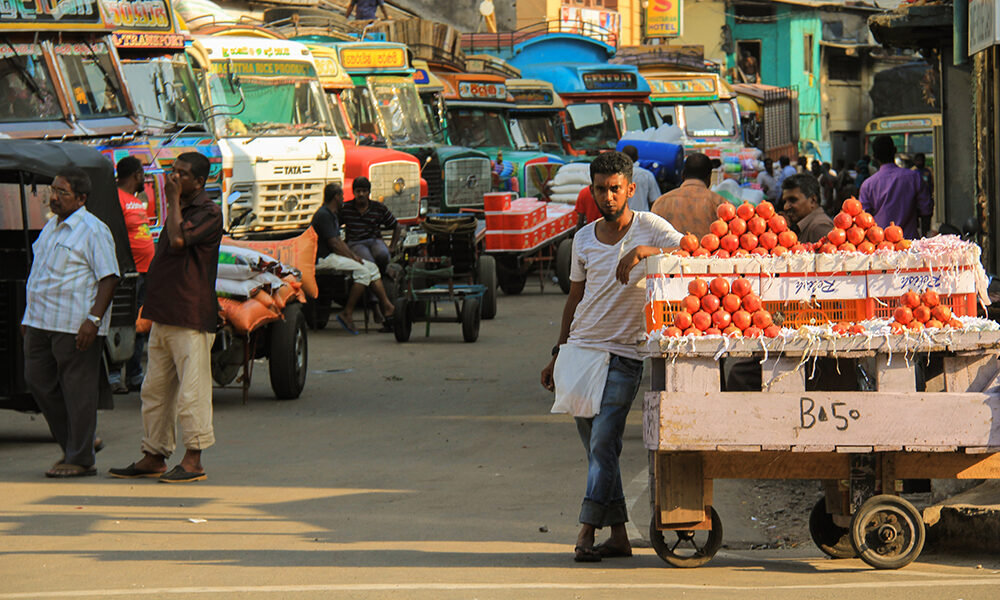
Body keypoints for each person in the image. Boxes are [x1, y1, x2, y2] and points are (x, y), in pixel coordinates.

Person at [540, 151, 682, 563]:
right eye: (600, 189)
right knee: (600, 451)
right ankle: (619, 535)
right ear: (592, 191)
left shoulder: (651, 228)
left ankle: (586, 530)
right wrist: (558, 353)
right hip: (580, 351)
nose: (608, 196)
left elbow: (693, 256)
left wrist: (641, 253)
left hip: (625, 355)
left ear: (630, 189)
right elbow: (574, 300)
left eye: (615, 189)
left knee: (604, 441)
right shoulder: (583, 238)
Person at [110, 152, 223, 483]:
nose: (174, 178)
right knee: (155, 391)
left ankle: (193, 460)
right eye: (173, 172)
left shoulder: (208, 212)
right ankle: (154, 454)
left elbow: (176, 242)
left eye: (182, 175)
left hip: (191, 314)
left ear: (200, 182)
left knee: (192, 393)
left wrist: (171, 200)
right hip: (165, 313)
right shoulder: (183, 208)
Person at [22, 167, 119, 477]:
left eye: (62, 193)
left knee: (78, 391)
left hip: (74, 324)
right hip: (41, 321)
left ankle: (80, 458)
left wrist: (93, 319)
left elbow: (109, 277)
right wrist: (28, 316)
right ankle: (81, 442)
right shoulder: (51, 227)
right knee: (38, 381)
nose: (54, 197)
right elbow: (41, 274)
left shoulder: (93, 229)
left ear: (81, 198)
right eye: (53, 190)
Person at [312, 182, 396, 334]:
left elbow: (338, 241)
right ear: (336, 197)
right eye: (341, 196)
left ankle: (387, 306)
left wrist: (354, 257)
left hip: (332, 255)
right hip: (323, 258)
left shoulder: (331, 214)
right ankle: (347, 313)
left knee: (371, 268)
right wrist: (354, 258)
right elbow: (334, 244)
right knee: (363, 272)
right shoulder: (324, 215)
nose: (343, 199)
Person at [108, 156, 154, 394]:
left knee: (139, 324)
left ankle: (135, 374)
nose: (144, 180)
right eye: (142, 175)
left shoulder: (135, 200)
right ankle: (114, 375)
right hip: (129, 273)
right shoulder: (117, 199)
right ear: (136, 175)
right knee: (122, 323)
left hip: (145, 271)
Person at [859, 135, 932, 239]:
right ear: (895, 150)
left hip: (880, 246)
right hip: (909, 244)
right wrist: (924, 236)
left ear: (874, 157)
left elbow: (863, 220)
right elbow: (926, 211)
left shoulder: (868, 185)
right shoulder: (914, 177)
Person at [650, 152, 726, 238]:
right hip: (707, 251)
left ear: (682, 175)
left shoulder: (661, 202)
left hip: (669, 251)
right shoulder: (720, 203)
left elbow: (651, 238)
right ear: (709, 178)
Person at [339, 177, 405, 275]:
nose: (361, 194)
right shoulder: (345, 208)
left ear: (369, 192)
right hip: (355, 242)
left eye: (364, 191)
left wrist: (392, 247)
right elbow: (334, 227)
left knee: (383, 255)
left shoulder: (378, 207)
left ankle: (382, 275)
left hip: (375, 240)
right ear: (353, 192)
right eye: (358, 191)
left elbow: (397, 226)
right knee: (369, 263)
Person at [782, 173, 834, 244]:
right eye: (785, 201)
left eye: (792, 200)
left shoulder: (819, 227)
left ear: (812, 200)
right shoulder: (805, 225)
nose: (785, 207)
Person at [620, 145, 659, 211]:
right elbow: (655, 200)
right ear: (637, 157)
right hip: (642, 217)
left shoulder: (616, 175)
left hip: (622, 218)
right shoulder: (647, 175)